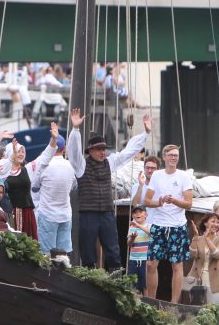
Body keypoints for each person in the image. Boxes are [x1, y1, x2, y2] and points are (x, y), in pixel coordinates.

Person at [67, 108, 150, 270]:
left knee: (113, 249)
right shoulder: (81, 165)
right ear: (90, 151)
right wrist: (76, 129)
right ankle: (89, 278)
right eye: (99, 149)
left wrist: (145, 134)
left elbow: (128, 152)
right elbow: (74, 152)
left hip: (106, 212)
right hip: (88, 213)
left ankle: (115, 276)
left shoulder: (110, 162)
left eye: (104, 149)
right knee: (88, 251)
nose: (103, 152)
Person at [144, 144, 194, 303]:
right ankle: (151, 301)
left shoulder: (184, 176)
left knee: (176, 266)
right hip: (159, 225)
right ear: (164, 157)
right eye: (171, 155)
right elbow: (146, 201)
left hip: (177, 226)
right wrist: (159, 201)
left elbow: (189, 204)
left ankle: (174, 303)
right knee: (151, 264)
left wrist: (175, 201)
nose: (174, 158)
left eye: (176, 155)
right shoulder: (157, 175)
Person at [33, 122, 76, 266]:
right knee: (63, 255)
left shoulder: (43, 165)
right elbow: (74, 186)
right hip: (65, 215)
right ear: (64, 148)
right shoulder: (71, 167)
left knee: (46, 255)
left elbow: (35, 187)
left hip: (47, 215)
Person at [186, 213, 219, 304]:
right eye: (213, 221)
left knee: (216, 309)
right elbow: (192, 255)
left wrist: (207, 239)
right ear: (205, 223)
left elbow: (217, 255)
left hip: (214, 280)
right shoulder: (198, 239)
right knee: (197, 309)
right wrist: (196, 237)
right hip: (197, 279)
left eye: (218, 222)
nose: (216, 224)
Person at [3, 138, 38, 240]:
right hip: (10, 213)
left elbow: (44, 158)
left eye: (23, 151)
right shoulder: (3, 172)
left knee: (28, 241)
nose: (21, 154)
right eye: (18, 151)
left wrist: (53, 140)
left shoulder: (27, 169)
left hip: (27, 212)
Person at [126, 206, 151, 294]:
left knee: (146, 285)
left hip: (145, 260)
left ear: (146, 215)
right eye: (135, 212)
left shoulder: (149, 225)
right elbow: (129, 244)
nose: (137, 214)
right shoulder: (131, 228)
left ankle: (147, 303)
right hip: (133, 260)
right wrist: (132, 238)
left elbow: (151, 232)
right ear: (132, 215)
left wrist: (139, 226)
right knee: (132, 284)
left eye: (140, 212)